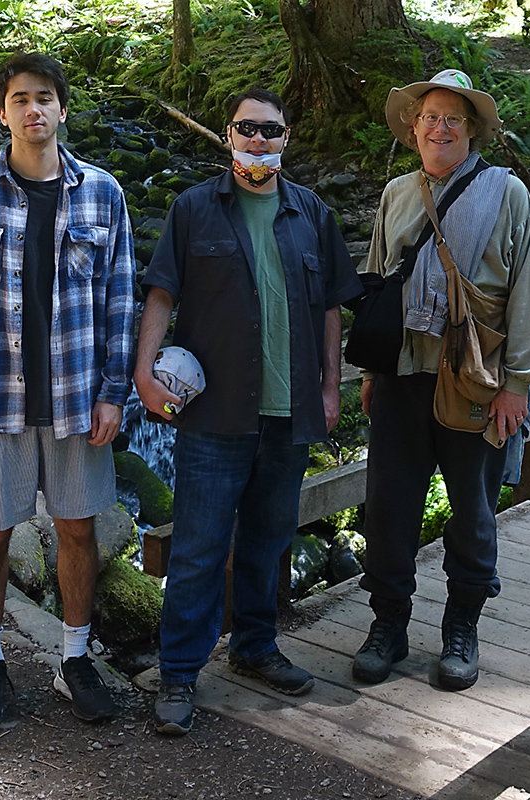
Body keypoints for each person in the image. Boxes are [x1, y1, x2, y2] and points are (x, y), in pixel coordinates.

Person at [135, 86, 361, 735]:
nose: (258, 140)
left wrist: (331, 384)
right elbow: (160, 292)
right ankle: (178, 672)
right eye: (246, 129)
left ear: (286, 138)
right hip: (213, 415)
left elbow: (329, 308)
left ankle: (255, 647)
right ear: (228, 134)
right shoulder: (193, 210)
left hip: (288, 412)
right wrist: (144, 374)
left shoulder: (311, 213)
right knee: (200, 548)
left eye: (270, 130)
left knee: (268, 541)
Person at [0, 52, 135, 728]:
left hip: (79, 399)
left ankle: (74, 659)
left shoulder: (103, 194)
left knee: (79, 529)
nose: (34, 109)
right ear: (3, 112)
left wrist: (115, 393)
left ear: (63, 109)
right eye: (21, 98)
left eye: (45, 97)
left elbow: (120, 303)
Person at [351, 69, 530, 690]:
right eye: (431, 117)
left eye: (453, 119)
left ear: (471, 131)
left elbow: (528, 289)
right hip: (403, 375)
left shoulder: (508, 194)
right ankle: (388, 623)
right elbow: (380, 282)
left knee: (472, 512)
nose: (440, 127)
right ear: (414, 127)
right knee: (389, 506)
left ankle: (461, 628)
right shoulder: (397, 194)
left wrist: (519, 383)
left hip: (477, 381)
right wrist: (371, 367)